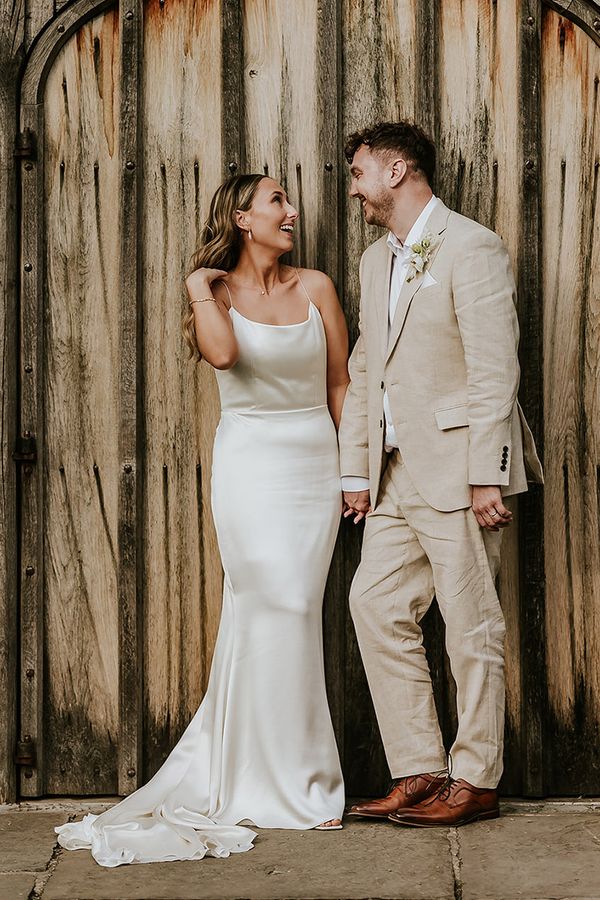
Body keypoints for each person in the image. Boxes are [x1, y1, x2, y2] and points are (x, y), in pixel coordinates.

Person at [55, 174, 349, 866]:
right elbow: (223, 355)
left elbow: (339, 381)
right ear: (242, 218)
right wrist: (196, 286)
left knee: (296, 609)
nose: (291, 211)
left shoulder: (317, 287)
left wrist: (356, 470)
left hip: (314, 466)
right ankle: (285, 783)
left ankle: (291, 778)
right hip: (250, 469)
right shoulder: (215, 296)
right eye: (276, 200)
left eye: (288, 200)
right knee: (272, 603)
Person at [339, 121, 543, 827]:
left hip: (458, 469)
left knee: (470, 624)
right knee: (375, 604)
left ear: (396, 170)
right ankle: (420, 769)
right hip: (394, 473)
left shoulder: (471, 246)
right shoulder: (374, 261)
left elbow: (494, 368)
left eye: (360, 172)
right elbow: (366, 369)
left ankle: (476, 779)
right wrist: (355, 470)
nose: (355, 188)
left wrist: (487, 472)